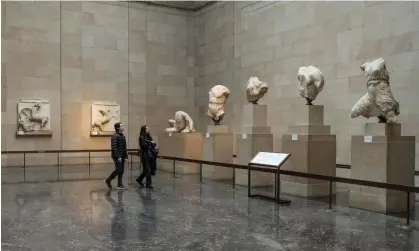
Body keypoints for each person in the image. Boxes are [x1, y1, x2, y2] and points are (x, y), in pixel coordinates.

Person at [104, 122, 128, 190]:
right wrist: (118, 157)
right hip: (117, 156)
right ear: (118, 128)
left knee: (121, 170)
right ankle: (108, 180)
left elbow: (124, 147)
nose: (123, 127)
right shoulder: (114, 136)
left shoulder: (122, 136)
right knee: (118, 169)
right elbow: (114, 148)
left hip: (122, 156)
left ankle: (119, 185)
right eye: (121, 126)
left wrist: (126, 156)